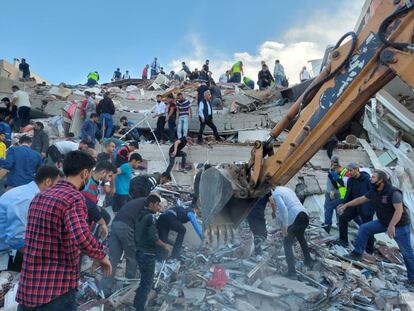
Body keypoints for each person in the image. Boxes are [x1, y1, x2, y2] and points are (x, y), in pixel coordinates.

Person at [16, 151, 112, 310]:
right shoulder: (74, 198)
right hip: (55, 289)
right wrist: (101, 255)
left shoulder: (40, 196)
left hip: (29, 288)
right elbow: (81, 236)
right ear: (85, 173)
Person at [341, 170, 414, 285]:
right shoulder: (374, 191)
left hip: (399, 225)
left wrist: (392, 226)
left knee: (407, 253)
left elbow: (399, 211)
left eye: (373, 177)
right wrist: (346, 205)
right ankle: (357, 253)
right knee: (364, 228)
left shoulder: (393, 192)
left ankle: (412, 279)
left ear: (381, 180)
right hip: (383, 222)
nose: (370, 179)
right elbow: (361, 199)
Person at [0, 166, 61, 272]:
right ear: (47, 181)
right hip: (5, 249)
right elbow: (16, 238)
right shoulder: (26, 198)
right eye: (58, 185)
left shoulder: (30, 193)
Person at [101, 195, 154, 295]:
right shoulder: (146, 207)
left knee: (112, 259)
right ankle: (128, 289)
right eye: (158, 205)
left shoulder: (138, 202)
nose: (158, 208)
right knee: (132, 258)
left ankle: (103, 290)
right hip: (126, 227)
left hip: (115, 224)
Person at [133, 194, 171, 311]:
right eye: (157, 205)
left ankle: (136, 305)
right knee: (147, 283)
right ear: (151, 204)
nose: (158, 207)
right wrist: (165, 246)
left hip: (139, 251)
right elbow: (153, 237)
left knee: (143, 281)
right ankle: (139, 308)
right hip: (147, 254)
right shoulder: (150, 217)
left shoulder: (140, 215)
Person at [272, 186, 313, 278]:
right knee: (301, 238)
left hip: (295, 215)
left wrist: (285, 226)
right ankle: (309, 261)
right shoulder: (287, 190)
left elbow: (284, 210)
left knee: (287, 243)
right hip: (304, 215)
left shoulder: (276, 193)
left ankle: (292, 272)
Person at [337, 163, 374, 252]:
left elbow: (373, 194)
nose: (349, 173)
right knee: (342, 218)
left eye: (351, 170)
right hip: (354, 206)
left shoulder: (367, 180)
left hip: (366, 207)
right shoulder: (350, 180)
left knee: (367, 227)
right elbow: (348, 194)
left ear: (357, 169)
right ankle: (343, 241)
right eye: (348, 171)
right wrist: (343, 204)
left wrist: (372, 208)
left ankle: (369, 249)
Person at [323, 159, 349, 233]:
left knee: (329, 207)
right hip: (339, 194)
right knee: (338, 210)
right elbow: (333, 180)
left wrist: (332, 190)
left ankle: (327, 226)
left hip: (340, 195)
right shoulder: (336, 171)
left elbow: (338, 182)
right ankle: (338, 226)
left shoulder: (342, 172)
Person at [247, 193, 276, 257]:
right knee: (262, 235)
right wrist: (274, 212)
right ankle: (258, 254)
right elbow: (272, 202)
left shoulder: (254, 189)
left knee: (256, 234)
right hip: (258, 215)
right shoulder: (267, 191)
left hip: (249, 214)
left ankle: (258, 252)